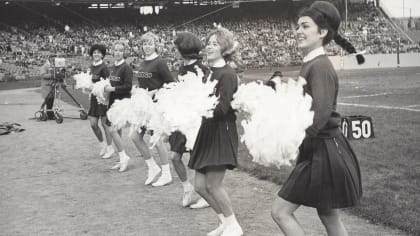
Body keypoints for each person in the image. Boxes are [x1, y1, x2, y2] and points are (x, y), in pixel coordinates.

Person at [271, 2, 363, 236]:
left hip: (323, 150)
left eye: (305, 26)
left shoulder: (320, 65)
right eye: (298, 26)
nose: (298, 31)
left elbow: (320, 114)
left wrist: (291, 137)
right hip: (321, 148)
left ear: (322, 32)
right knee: (328, 215)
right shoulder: (312, 63)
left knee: (281, 211)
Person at [188, 27, 243, 236]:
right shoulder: (209, 73)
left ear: (225, 48)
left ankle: (234, 226)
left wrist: (196, 105)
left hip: (221, 130)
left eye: (215, 43)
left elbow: (222, 109)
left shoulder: (227, 74)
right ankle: (225, 222)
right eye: (208, 43)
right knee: (200, 186)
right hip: (207, 130)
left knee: (213, 184)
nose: (209, 46)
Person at [170, 31, 210, 208]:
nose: (175, 50)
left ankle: (205, 194)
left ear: (183, 48)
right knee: (174, 156)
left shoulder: (203, 69)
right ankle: (187, 187)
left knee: (198, 159)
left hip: (196, 121)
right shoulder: (181, 68)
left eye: (177, 47)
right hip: (181, 119)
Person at [130, 32, 173, 186]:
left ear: (156, 45)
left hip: (156, 106)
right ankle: (152, 167)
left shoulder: (160, 62)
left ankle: (167, 173)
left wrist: (156, 92)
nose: (147, 46)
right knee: (135, 137)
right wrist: (137, 90)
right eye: (144, 44)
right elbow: (144, 83)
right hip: (144, 105)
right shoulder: (142, 62)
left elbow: (170, 83)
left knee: (157, 140)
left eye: (150, 43)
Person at [104, 41, 133, 172]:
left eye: (120, 50)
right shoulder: (113, 67)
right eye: (115, 50)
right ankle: (121, 159)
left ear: (124, 52)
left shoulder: (126, 68)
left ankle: (124, 157)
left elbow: (128, 87)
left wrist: (112, 88)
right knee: (117, 132)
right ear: (112, 52)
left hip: (121, 103)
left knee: (112, 130)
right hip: (113, 101)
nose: (117, 52)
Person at [87, 44, 114, 159]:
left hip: (102, 98)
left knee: (104, 124)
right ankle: (102, 144)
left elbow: (108, 84)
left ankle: (110, 148)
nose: (96, 54)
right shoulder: (91, 67)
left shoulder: (104, 68)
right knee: (93, 124)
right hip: (94, 98)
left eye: (98, 52)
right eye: (94, 52)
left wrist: (106, 99)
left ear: (102, 55)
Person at [39, 56, 56, 120]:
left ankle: (50, 114)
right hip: (47, 86)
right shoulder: (45, 66)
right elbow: (43, 75)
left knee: (51, 101)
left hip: (52, 87)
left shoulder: (53, 66)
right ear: (49, 59)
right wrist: (52, 75)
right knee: (48, 101)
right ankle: (50, 115)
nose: (53, 59)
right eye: (52, 58)